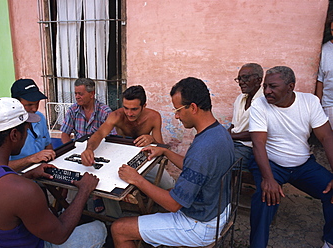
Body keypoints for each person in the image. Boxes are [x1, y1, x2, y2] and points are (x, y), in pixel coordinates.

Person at [0, 97, 107, 248]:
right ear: (14, 135)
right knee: (99, 228)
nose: (26, 135)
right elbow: (60, 235)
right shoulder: (23, 191)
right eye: (26, 130)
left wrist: (26, 176)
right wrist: (84, 190)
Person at [111, 77, 235, 247]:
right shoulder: (219, 132)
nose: (176, 116)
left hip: (199, 224)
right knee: (164, 193)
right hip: (218, 210)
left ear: (193, 107)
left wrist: (136, 179)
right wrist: (166, 151)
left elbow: (173, 204)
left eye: (177, 110)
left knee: (119, 228)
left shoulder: (203, 148)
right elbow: (196, 167)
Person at [248, 66, 333, 248]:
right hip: (271, 164)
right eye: (265, 86)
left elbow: (327, 137)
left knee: (331, 190)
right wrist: (268, 178)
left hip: (303, 165)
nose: (267, 91)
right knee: (264, 199)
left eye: (273, 86)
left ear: (290, 87)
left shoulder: (309, 102)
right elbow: (258, 143)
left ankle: (330, 241)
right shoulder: (260, 105)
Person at [81, 85, 175, 190]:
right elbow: (99, 134)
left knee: (169, 185)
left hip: (143, 158)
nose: (129, 113)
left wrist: (151, 139)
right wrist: (89, 149)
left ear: (144, 106)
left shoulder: (153, 117)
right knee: (108, 186)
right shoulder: (116, 116)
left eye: (134, 109)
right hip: (120, 158)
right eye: (126, 108)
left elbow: (160, 146)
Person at [9, 79, 56, 171]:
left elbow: (47, 144)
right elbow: (1, 167)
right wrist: (31, 159)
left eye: (37, 103)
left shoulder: (40, 117)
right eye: (29, 105)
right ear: (16, 103)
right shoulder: (7, 127)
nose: (34, 109)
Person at [229, 63, 263, 169]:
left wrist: (230, 136)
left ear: (258, 80)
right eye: (239, 79)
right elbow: (233, 127)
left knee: (220, 162)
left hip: (250, 148)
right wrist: (223, 136)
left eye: (245, 78)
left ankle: (225, 186)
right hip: (234, 143)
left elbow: (259, 134)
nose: (241, 82)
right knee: (205, 153)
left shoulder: (265, 100)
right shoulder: (240, 98)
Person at [61, 78, 113, 143]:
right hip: (78, 149)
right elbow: (65, 134)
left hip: (100, 150)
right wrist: (71, 149)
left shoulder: (105, 112)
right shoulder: (73, 110)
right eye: (76, 94)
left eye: (80, 94)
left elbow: (113, 137)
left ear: (92, 94)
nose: (77, 97)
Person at [315, 12, 333, 129]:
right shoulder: (325, 50)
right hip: (329, 104)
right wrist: (318, 105)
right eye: (332, 30)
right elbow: (320, 79)